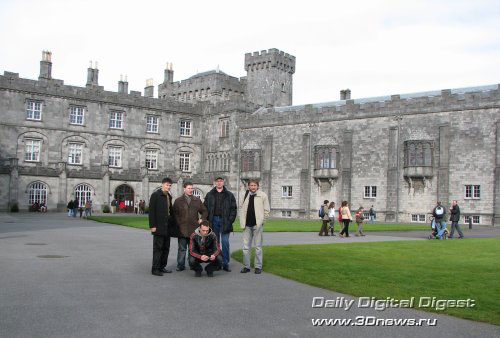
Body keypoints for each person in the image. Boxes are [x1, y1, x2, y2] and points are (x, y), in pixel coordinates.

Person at [203, 177, 237, 272]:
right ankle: (218, 262)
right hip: (213, 220)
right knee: (215, 243)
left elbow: (233, 209)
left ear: (223, 182)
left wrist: (230, 221)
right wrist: (206, 221)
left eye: (221, 181)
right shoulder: (210, 194)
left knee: (225, 242)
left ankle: (225, 263)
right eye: (217, 181)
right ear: (215, 183)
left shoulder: (229, 195)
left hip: (225, 221)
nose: (219, 183)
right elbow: (204, 208)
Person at [173, 182, 208, 271]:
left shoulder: (197, 200)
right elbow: (174, 214)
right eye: (189, 188)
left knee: (192, 248)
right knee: (182, 248)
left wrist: (202, 219)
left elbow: (204, 211)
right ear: (184, 189)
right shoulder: (178, 201)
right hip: (182, 229)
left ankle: (192, 264)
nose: (191, 190)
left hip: (194, 228)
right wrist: (178, 223)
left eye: (191, 188)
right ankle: (180, 265)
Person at [239, 180, 270, 274]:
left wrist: (262, 222)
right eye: (251, 185)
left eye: (254, 185)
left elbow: (267, 210)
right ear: (248, 186)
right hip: (246, 225)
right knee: (245, 247)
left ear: (257, 186)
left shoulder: (263, 195)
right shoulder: (244, 195)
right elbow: (241, 208)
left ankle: (258, 267)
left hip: (257, 225)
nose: (253, 187)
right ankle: (246, 266)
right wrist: (242, 222)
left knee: (258, 247)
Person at [148, 177, 175, 276]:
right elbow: (151, 212)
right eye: (167, 185)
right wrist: (152, 225)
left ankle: (162, 266)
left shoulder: (169, 196)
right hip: (158, 226)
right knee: (158, 248)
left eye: (170, 185)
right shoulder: (155, 195)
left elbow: (170, 211)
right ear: (162, 184)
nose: (168, 187)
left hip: (167, 226)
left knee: (166, 247)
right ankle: (155, 269)